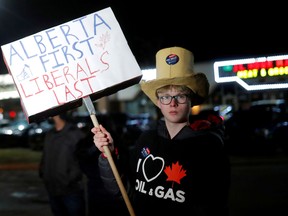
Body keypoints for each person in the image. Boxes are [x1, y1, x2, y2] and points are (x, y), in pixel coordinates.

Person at [91, 46, 231, 215]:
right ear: (158, 102)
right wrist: (109, 154)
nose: (172, 103)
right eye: (165, 97)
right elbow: (123, 191)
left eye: (180, 96)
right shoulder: (146, 139)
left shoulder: (209, 147)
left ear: (191, 100)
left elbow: (214, 205)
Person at [39, 113, 86, 216]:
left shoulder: (75, 134)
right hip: (52, 189)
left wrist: (70, 179)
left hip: (71, 191)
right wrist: (44, 174)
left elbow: (84, 160)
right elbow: (45, 158)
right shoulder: (50, 134)